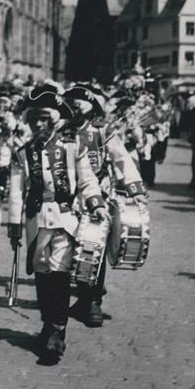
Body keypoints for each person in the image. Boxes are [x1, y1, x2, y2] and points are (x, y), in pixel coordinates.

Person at [7, 88, 108, 364]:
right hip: (35, 219)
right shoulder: (22, 153)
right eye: (33, 120)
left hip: (65, 219)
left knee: (59, 271)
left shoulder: (73, 147)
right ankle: (47, 323)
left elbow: (87, 181)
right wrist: (13, 222)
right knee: (41, 272)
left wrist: (96, 204)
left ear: (53, 120)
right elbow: (16, 190)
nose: (38, 125)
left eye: (43, 119)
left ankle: (57, 332)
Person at [63, 83, 146, 328]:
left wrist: (134, 188)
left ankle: (92, 302)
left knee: (94, 246)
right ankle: (83, 297)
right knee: (71, 248)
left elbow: (121, 159)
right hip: (67, 197)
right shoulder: (62, 132)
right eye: (71, 101)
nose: (75, 106)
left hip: (97, 196)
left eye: (80, 101)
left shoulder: (102, 131)